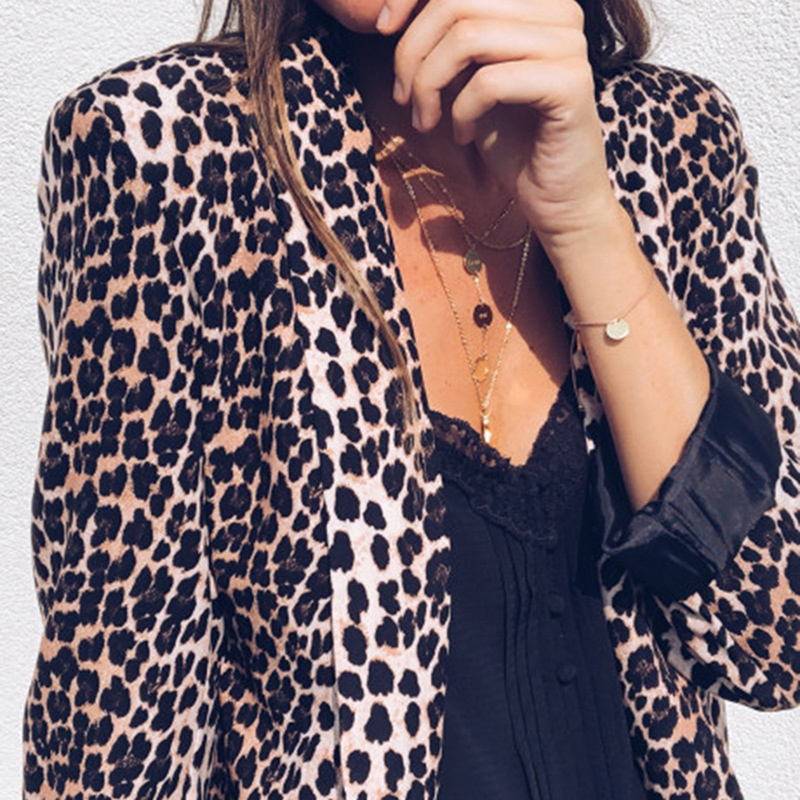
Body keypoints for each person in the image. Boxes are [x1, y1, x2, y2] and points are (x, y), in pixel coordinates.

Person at [21, 0, 800, 798]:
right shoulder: (168, 152)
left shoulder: (673, 141)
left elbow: (776, 637)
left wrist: (587, 224)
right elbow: (117, 729)